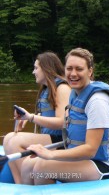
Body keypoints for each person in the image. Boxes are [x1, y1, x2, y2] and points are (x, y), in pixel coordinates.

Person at [20, 48, 109, 185]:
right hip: (82, 160)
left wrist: (50, 154)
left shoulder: (97, 101)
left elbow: (90, 150)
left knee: (43, 168)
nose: (73, 73)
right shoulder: (75, 94)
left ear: (90, 71)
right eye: (69, 68)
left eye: (79, 69)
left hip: (104, 165)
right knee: (28, 164)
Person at [3, 51, 71, 184]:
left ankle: (25, 182)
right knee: (8, 138)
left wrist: (31, 117)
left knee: (15, 142)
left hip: (62, 141)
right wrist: (26, 118)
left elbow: (62, 122)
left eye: (36, 68)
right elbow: (47, 114)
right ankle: (20, 184)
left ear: (47, 68)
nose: (33, 72)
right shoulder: (46, 89)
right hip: (51, 138)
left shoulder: (62, 88)